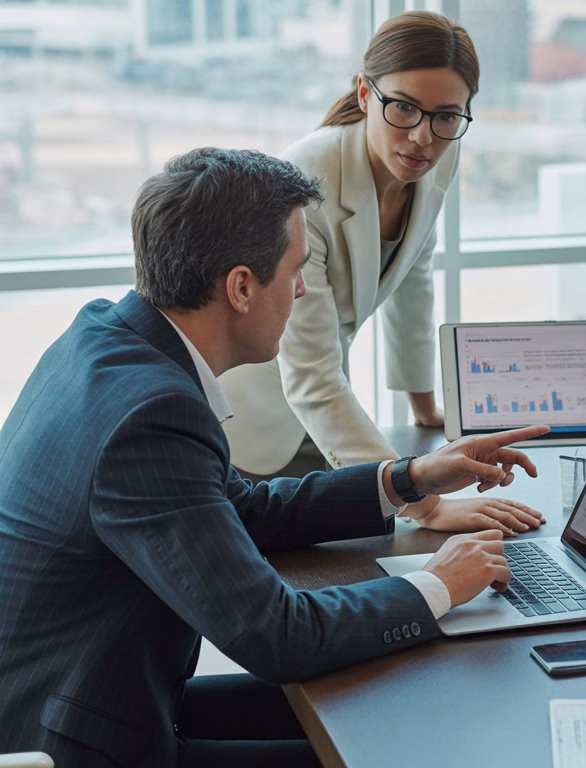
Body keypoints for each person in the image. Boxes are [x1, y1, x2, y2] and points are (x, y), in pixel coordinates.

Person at [0, 148, 550, 766]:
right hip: (76, 742)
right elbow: (277, 635)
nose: (302, 287)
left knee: (394, 701)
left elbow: (242, 508)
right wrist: (441, 583)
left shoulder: (106, 337)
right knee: (403, 744)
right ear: (240, 287)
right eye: (296, 267)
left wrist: (410, 479)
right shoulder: (150, 416)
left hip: (96, 694)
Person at [219, 11, 540, 535]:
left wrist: (424, 404)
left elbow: (414, 276)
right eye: (404, 109)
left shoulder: (439, 154)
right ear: (366, 95)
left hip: (322, 403)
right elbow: (313, 379)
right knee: (325, 563)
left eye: (446, 116)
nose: (422, 138)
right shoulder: (307, 186)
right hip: (255, 422)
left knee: (364, 548)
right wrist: (427, 503)